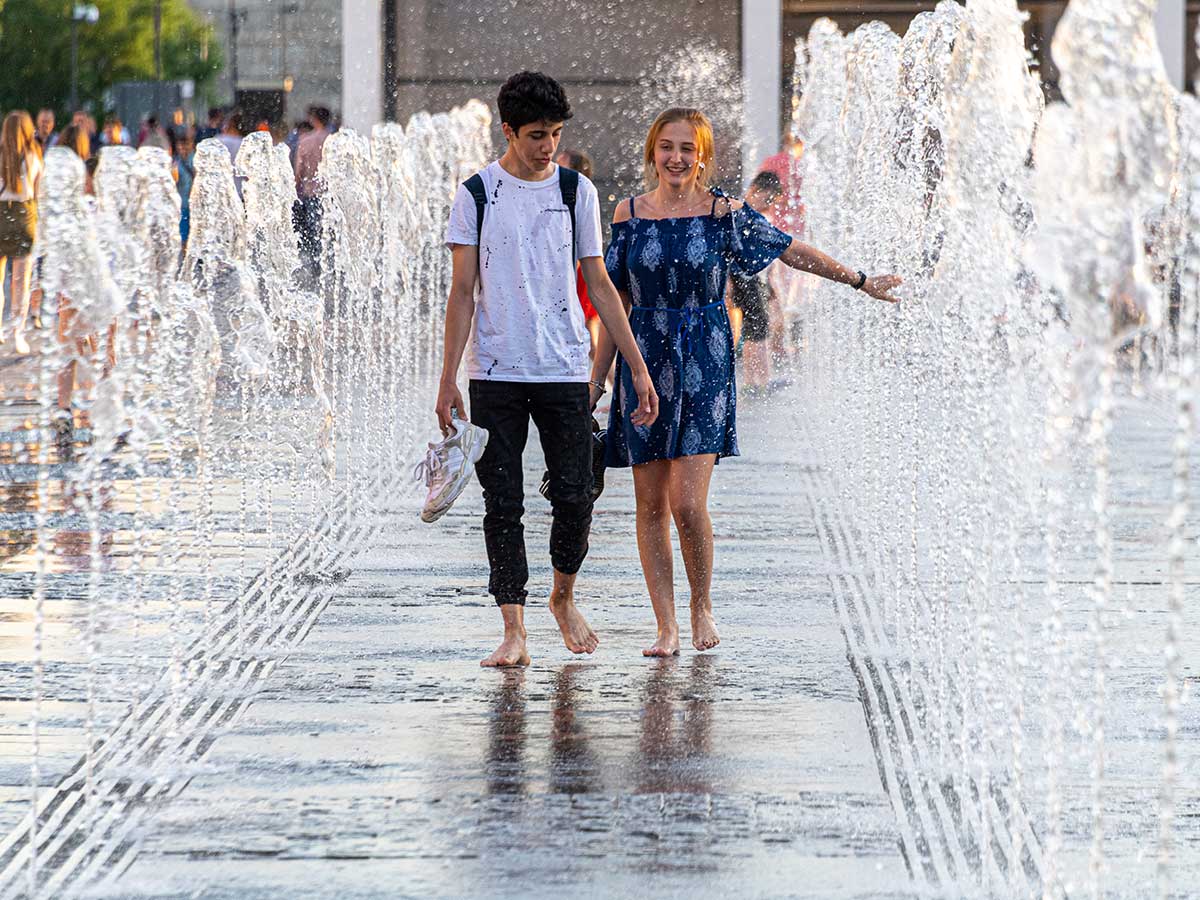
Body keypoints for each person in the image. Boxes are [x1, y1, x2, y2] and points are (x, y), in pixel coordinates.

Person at [593, 107, 900, 657]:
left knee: (687, 504)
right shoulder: (627, 215)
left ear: (703, 156)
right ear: (651, 152)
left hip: (705, 364)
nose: (676, 158)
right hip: (644, 359)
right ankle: (664, 624)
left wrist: (858, 280)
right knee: (649, 505)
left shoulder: (723, 215)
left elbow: (789, 249)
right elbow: (614, 302)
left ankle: (700, 604)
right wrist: (596, 383)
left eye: (687, 148)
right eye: (667, 147)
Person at [436, 71, 658, 668]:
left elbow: (600, 284)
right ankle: (514, 629)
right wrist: (447, 379)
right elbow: (462, 293)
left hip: (563, 367)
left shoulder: (574, 191)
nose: (547, 146)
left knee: (577, 492)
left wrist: (635, 367)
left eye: (556, 134)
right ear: (507, 131)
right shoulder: (477, 194)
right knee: (501, 502)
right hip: (495, 371)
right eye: (536, 135)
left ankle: (563, 598)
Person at [730, 170, 783, 395]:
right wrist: (729, 286)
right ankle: (755, 382)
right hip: (743, 278)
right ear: (755, 190)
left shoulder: (751, 215)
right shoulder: (740, 213)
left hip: (754, 278)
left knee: (758, 326)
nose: (770, 205)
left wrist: (769, 284)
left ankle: (759, 380)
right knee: (756, 327)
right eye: (768, 199)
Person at [0, 111, 44, 355]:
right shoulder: (33, 156)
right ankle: (17, 332)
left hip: (0, 215)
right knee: (21, 281)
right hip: (24, 216)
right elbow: (38, 193)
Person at [556, 148, 605, 362]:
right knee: (589, 338)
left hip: (579, 275)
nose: (553, 169)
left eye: (561, 165)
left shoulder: (576, 198)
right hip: (578, 274)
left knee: (590, 339)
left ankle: (610, 385)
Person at [293, 106, 331, 269]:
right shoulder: (333, 139)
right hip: (330, 193)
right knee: (330, 229)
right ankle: (331, 264)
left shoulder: (305, 140)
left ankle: (316, 266)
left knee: (313, 230)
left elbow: (299, 170)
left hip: (311, 192)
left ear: (314, 120)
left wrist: (295, 189)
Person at [173, 129, 196, 244]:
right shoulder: (176, 163)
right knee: (184, 238)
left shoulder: (196, 160)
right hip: (183, 205)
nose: (183, 148)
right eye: (180, 145)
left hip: (196, 206)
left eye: (185, 144)